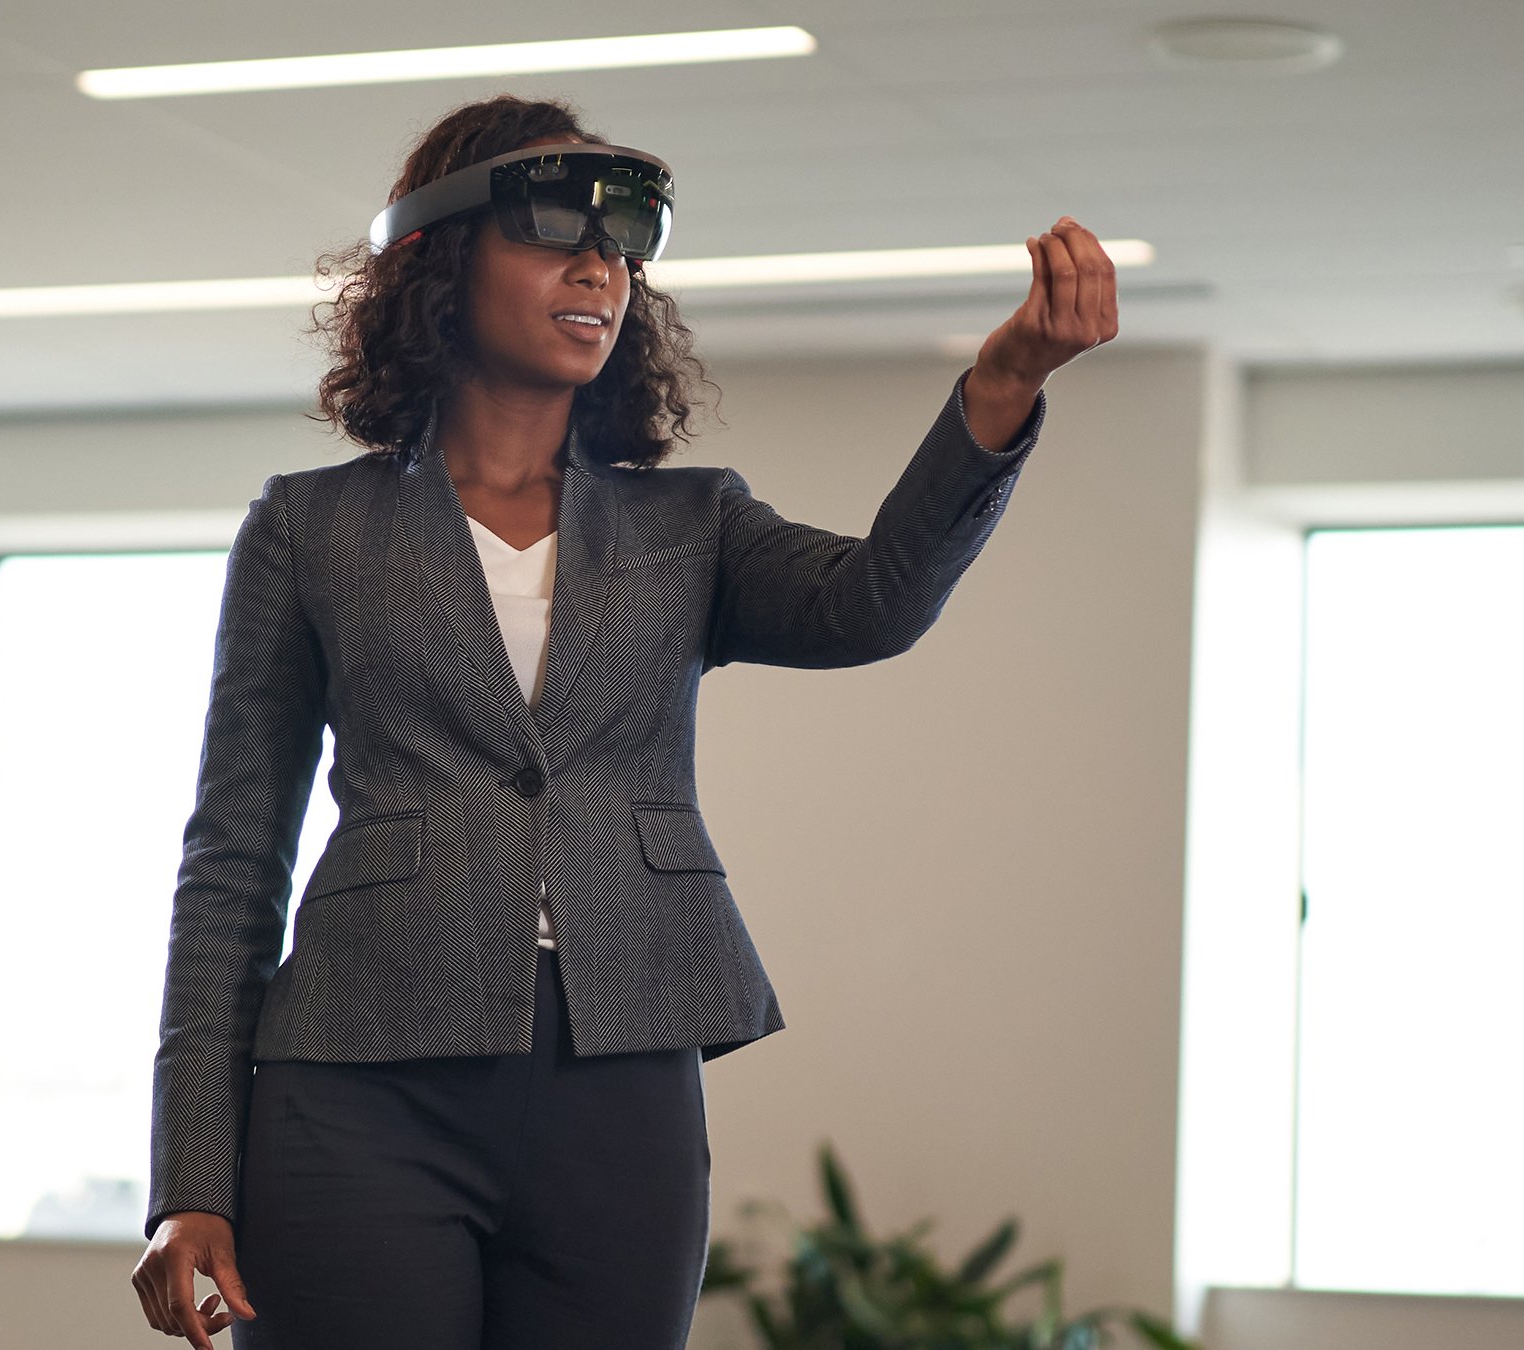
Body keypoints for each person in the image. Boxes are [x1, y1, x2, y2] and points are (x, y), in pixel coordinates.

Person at [129, 94, 1117, 1350]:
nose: (600, 268)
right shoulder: (307, 526)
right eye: (556, 231)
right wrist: (192, 1179)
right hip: (358, 1083)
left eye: (624, 245)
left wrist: (1006, 382)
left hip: (621, 1075)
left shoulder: (690, 524)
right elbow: (230, 860)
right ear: (438, 255)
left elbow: (871, 604)